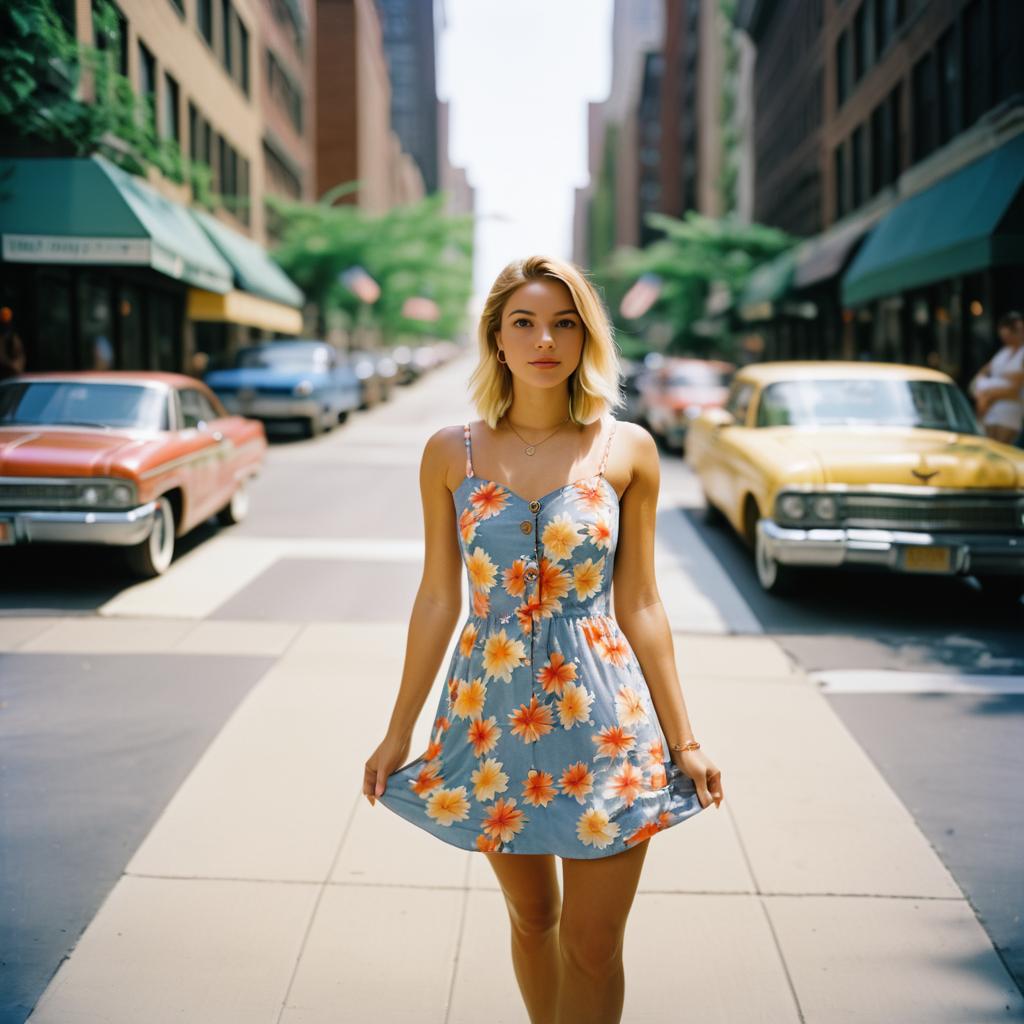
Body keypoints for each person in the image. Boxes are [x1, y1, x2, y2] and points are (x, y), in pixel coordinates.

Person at [363, 255, 723, 1024]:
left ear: (586, 338)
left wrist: (684, 738)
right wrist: (399, 732)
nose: (544, 340)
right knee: (532, 919)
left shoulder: (626, 451)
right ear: (496, 339)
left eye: (564, 322)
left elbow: (645, 603)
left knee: (594, 945)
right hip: (490, 717)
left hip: (605, 720)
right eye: (523, 322)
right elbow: (436, 598)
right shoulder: (448, 453)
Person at [971, 311, 1024, 444]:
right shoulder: (1003, 352)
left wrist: (989, 396)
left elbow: (1016, 388)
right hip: (991, 411)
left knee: (1001, 450)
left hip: (1009, 413)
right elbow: (984, 370)